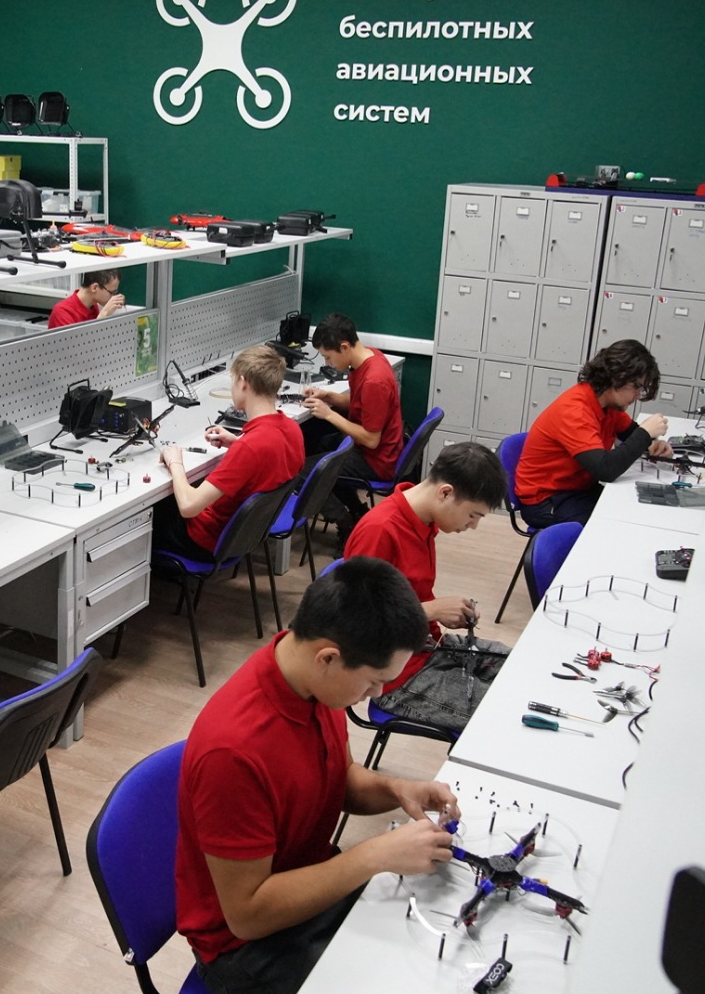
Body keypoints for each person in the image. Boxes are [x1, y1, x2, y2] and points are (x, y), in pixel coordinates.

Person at [177, 556, 460, 994]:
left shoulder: (310, 682)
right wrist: (373, 856)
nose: (377, 694)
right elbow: (247, 916)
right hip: (246, 947)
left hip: (307, 884)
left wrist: (396, 789)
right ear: (328, 657)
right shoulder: (233, 753)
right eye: (373, 681)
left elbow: (338, 779)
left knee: (437, 942)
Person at [344, 440, 507, 692]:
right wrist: (431, 610)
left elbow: (410, 595)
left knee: (515, 666)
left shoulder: (425, 520)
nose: (473, 526)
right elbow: (356, 622)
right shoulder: (380, 530)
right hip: (392, 672)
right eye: (473, 515)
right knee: (498, 703)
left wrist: (442, 613)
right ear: (445, 493)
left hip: (425, 645)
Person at [155, 344, 303, 561]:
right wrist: (236, 444)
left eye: (233, 381)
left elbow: (188, 507)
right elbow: (269, 460)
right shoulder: (292, 428)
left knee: (154, 509)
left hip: (208, 541)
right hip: (245, 536)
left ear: (243, 383)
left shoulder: (250, 447)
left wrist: (175, 462)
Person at [513, 339, 672, 528]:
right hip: (547, 499)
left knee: (633, 511)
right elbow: (605, 470)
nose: (638, 395)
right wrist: (645, 434)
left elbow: (631, 433)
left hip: (577, 489)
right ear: (617, 378)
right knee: (615, 526)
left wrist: (652, 444)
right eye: (637, 386)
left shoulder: (608, 404)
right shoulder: (575, 410)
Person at [300, 313, 405, 539]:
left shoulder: (374, 380)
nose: (327, 364)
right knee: (317, 446)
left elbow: (371, 439)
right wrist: (328, 396)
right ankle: (357, 511)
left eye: (328, 357)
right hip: (372, 449)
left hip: (376, 459)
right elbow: (361, 403)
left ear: (345, 347)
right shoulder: (370, 358)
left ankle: (345, 524)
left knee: (300, 473)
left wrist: (329, 414)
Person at [47, 269, 125, 328]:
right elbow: (77, 344)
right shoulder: (62, 312)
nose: (113, 296)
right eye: (112, 292)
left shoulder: (93, 306)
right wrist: (104, 314)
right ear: (94, 288)